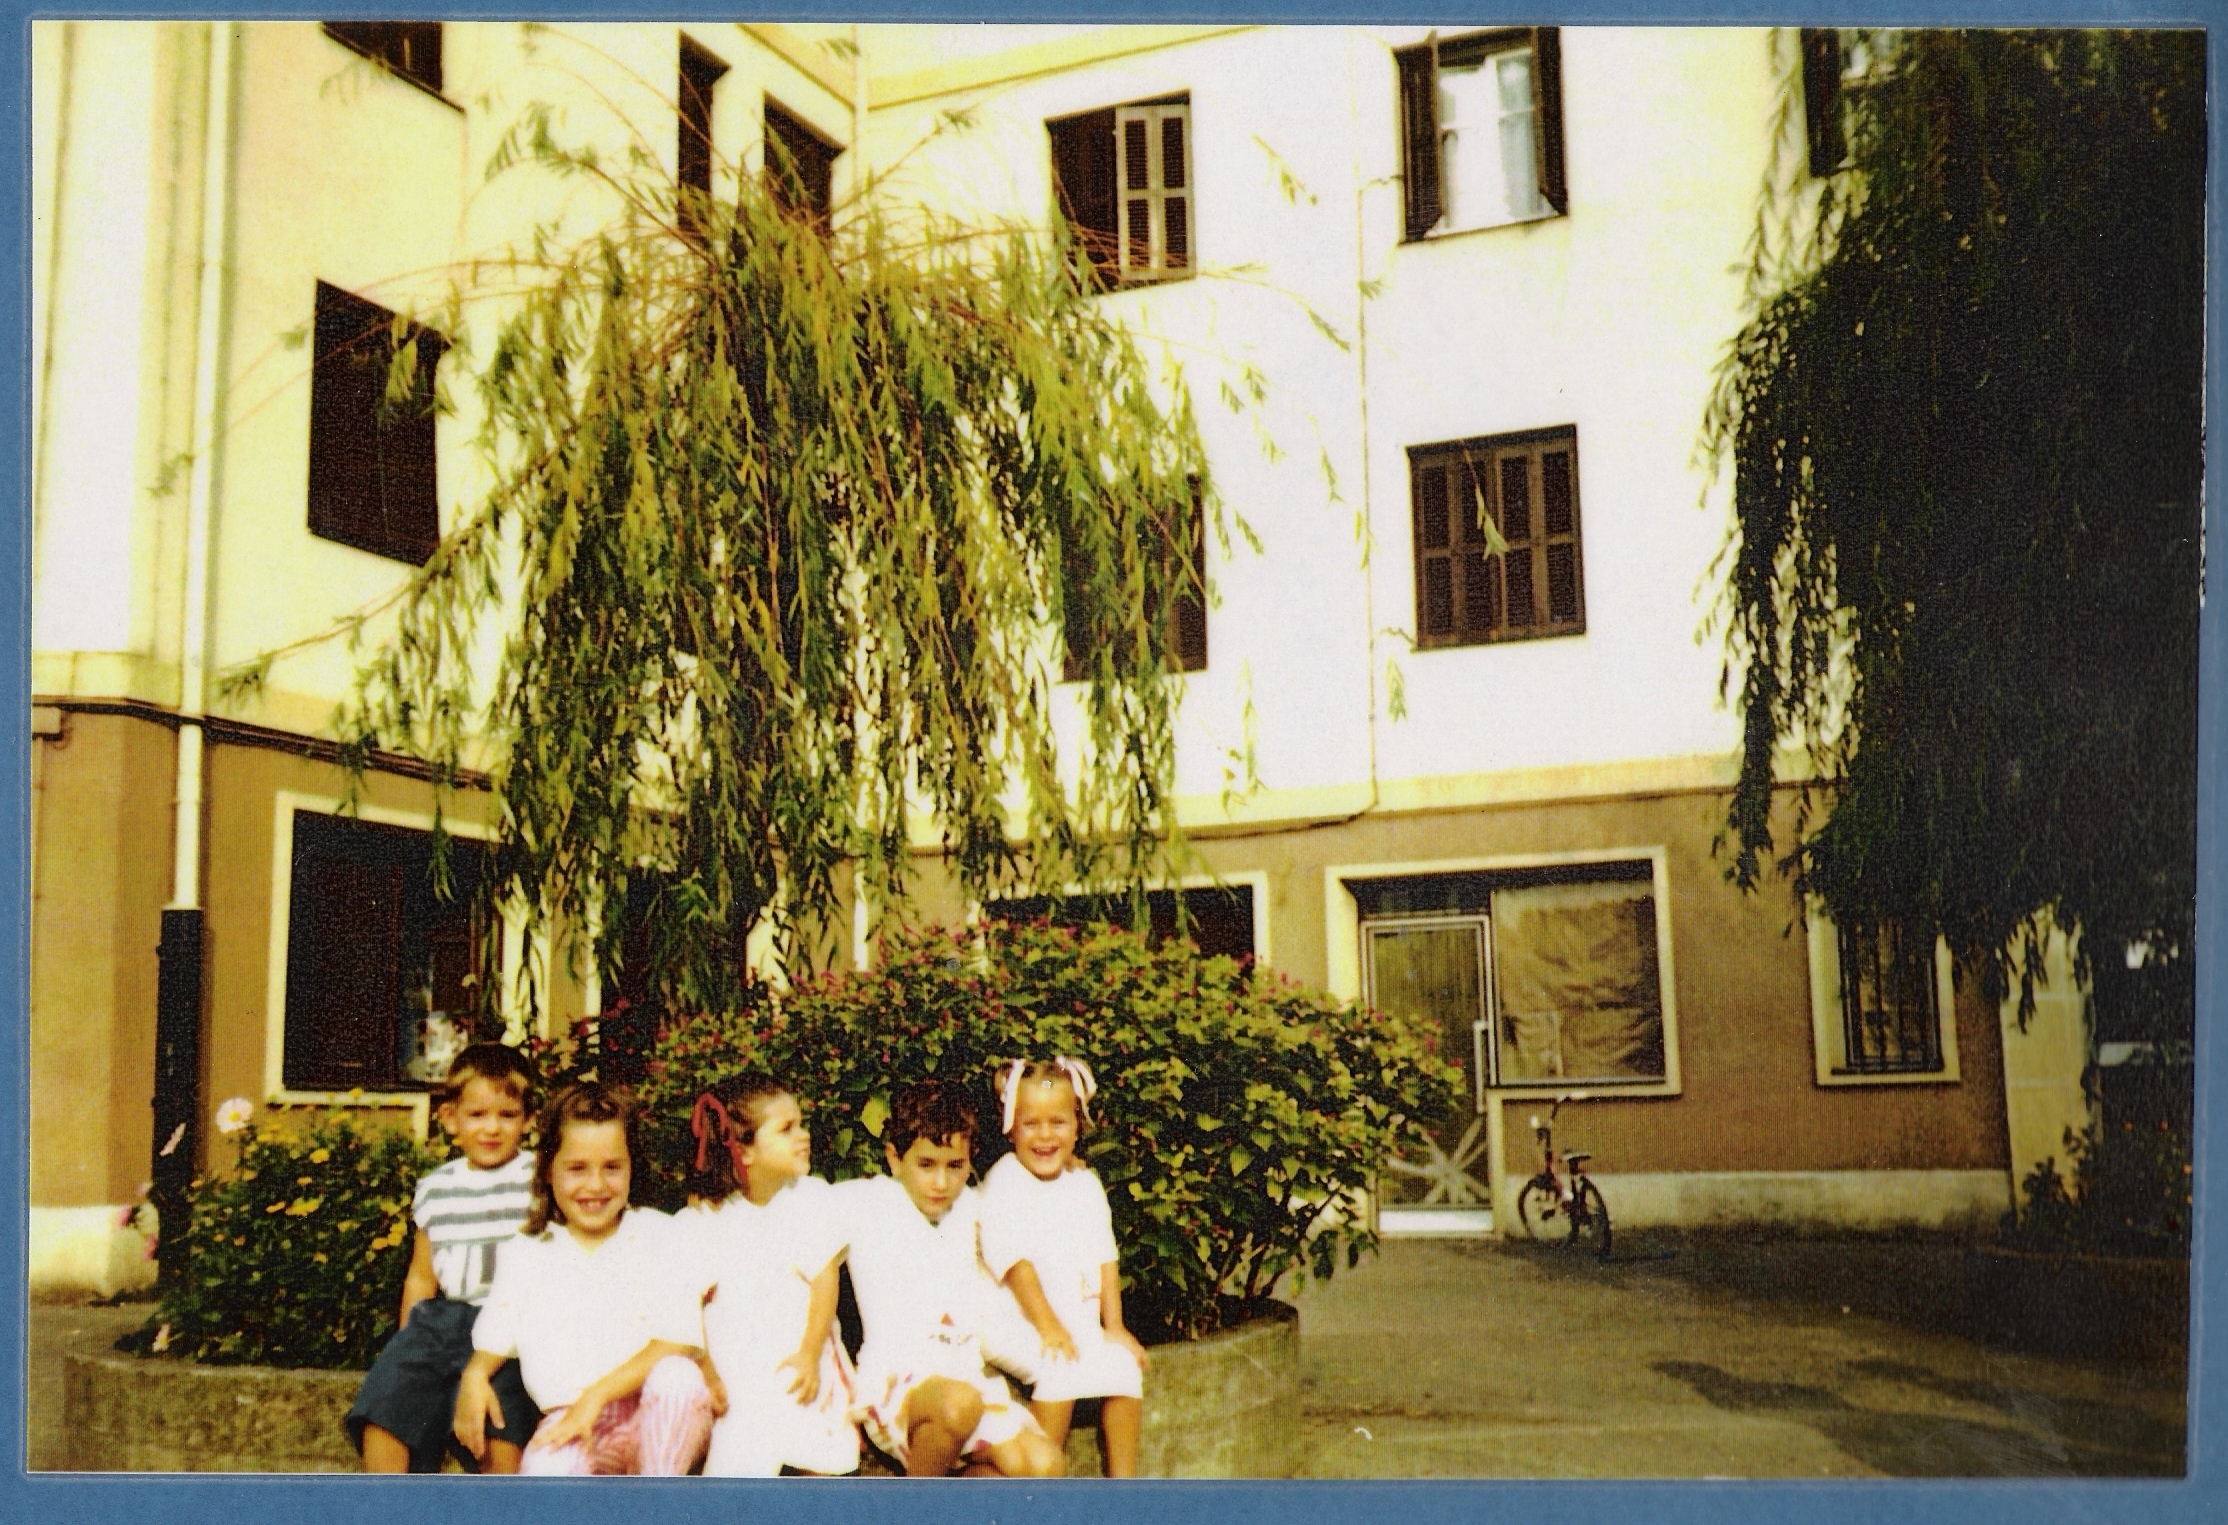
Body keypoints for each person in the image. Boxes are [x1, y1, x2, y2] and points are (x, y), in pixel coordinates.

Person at [454, 1081, 713, 1476]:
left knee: (677, 1377)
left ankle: (659, 1499)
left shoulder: (661, 1234)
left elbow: (678, 1339)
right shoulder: (526, 1253)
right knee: (546, 1474)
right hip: (572, 1421)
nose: (595, 1185)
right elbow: (495, 1336)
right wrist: (474, 1375)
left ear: (632, 1167)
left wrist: (597, 1396)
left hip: (654, 1414)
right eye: (576, 1168)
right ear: (548, 1171)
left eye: (612, 1167)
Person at [833, 1078, 1063, 1479]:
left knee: (1043, 1465)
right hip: (898, 1387)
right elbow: (795, 1237)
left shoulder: (973, 1208)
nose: (941, 1183)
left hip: (968, 1380)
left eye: (955, 1166)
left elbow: (1016, 1252)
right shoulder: (864, 1202)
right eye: (926, 1165)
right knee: (957, 1404)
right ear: (894, 1158)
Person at [346, 1042, 541, 1474]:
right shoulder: (436, 1188)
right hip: (440, 1322)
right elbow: (421, 1276)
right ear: (451, 1119)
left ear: (529, 1119)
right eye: (477, 1114)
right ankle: (389, 1502)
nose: (491, 1128)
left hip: (509, 1327)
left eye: (507, 1115)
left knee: (500, 1425)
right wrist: (407, 1344)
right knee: (386, 1409)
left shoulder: (538, 1178)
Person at [681, 1072, 858, 1477]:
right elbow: (690, 1302)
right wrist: (707, 1371)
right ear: (744, 1151)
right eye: (786, 1129)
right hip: (738, 1365)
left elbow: (824, 1281)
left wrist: (809, 1354)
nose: (803, 1135)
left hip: (800, 1351)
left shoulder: (809, 1198)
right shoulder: (711, 1215)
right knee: (744, 1447)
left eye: (801, 1124)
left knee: (813, 1439)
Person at [979, 1058, 1149, 1476]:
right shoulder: (1005, 1181)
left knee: (1123, 1367)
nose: (1045, 1136)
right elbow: (1017, 1269)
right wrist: (1049, 1328)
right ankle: (1043, 1480)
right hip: (1014, 1320)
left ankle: (1124, 1486)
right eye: (1030, 1124)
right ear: (1011, 1128)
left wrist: (1114, 1326)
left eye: (1058, 1123)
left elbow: (1105, 1257)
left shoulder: (1084, 1184)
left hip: (1069, 1320)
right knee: (1058, 1367)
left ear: (1077, 1127)